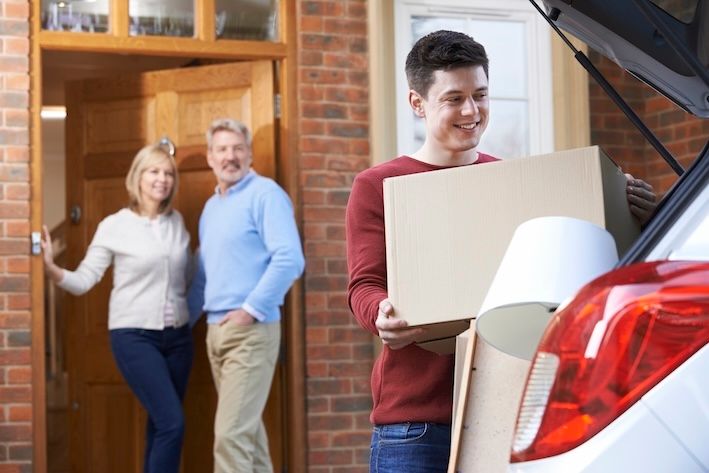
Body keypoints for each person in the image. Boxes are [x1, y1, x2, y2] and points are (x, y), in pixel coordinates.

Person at [345, 29, 657, 473]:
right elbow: (364, 284)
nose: (472, 111)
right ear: (418, 103)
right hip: (416, 423)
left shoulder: (510, 182)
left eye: (481, 94)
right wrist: (381, 313)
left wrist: (640, 217)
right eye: (454, 98)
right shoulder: (378, 186)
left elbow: (567, 269)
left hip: (501, 411)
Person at [41, 144, 193, 473]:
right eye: (154, 171)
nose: (162, 179)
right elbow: (84, 279)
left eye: (168, 173)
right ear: (138, 177)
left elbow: (188, 277)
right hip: (135, 336)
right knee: (172, 423)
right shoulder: (115, 225)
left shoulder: (177, 222)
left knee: (160, 424)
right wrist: (52, 269)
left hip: (179, 339)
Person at [187, 118, 305, 473]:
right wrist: (183, 322)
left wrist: (249, 311)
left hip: (250, 332)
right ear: (210, 157)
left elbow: (290, 259)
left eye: (238, 148)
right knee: (247, 438)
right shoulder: (212, 208)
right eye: (222, 149)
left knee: (230, 438)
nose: (230, 156)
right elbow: (205, 274)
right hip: (215, 331)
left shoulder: (265, 195)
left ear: (250, 154)